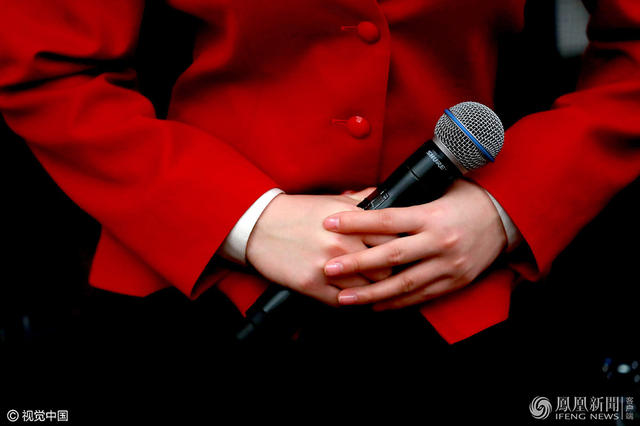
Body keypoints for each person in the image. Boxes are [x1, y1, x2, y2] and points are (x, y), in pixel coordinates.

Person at [0, 1, 639, 354]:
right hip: (193, 299)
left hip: (466, 310)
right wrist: (247, 221)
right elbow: (46, 67)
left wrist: (503, 208)